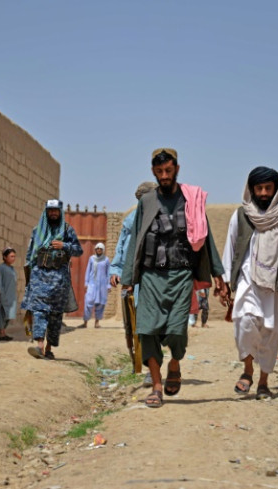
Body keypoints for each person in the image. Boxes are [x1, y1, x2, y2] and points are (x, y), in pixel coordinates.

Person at [121, 148, 228, 408]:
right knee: (147, 331)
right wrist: (128, 277)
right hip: (150, 276)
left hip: (181, 275)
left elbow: (206, 238)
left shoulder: (191, 199)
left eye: (168, 171)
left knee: (177, 331)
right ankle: (156, 386)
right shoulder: (146, 202)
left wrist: (218, 275)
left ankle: (175, 363)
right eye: (159, 172)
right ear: (153, 172)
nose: (164, 176)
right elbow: (135, 239)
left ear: (177, 169)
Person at [221, 167, 278, 400]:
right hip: (247, 280)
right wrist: (223, 279)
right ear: (251, 189)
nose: (263, 193)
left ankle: (263, 382)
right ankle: (248, 371)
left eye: (267, 188)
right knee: (244, 323)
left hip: (275, 282)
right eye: (258, 188)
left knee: (269, 333)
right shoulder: (240, 215)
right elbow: (230, 247)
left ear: (276, 189)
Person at [109, 181, 158, 386]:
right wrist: (116, 270)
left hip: (155, 279)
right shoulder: (130, 223)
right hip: (133, 281)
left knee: (152, 324)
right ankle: (140, 362)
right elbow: (122, 248)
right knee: (134, 324)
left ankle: (151, 369)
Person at [22, 199, 83, 360]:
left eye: (56, 210)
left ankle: (48, 348)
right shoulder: (37, 231)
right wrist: (29, 276)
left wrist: (64, 246)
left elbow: (78, 250)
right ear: (46, 212)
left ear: (60, 212)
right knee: (39, 311)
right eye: (50, 211)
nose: (53, 213)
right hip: (39, 276)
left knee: (55, 315)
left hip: (59, 279)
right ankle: (39, 345)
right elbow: (30, 255)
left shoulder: (67, 230)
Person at [82, 243, 111, 328]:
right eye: (97, 249)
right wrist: (86, 283)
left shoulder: (106, 260)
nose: (99, 250)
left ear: (103, 250)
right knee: (88, 302)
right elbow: (88, 271)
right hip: (92, 284)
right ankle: (85, 322)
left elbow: (108, 273)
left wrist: (108, 285)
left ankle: (97, 322)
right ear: (95, 250)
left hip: (102, 285)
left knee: (100, 304)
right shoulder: (91, 259)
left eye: (100, 249)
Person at [0, 246, 18, 341]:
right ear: (4, 257)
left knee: (8, 314)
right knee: (1, 314)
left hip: (11, 296)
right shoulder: (0, 268)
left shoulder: (12, 269)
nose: (13, 258)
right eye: (11, 256)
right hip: (3, 295)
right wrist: (0, 293)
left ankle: (4, 332)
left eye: (14, 256)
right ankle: (1, 334)